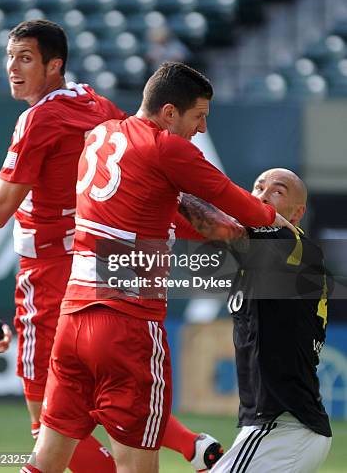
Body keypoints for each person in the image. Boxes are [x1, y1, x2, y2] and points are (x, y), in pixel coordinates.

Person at [0, 21, 227, 472]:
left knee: (48, 422)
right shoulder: (97, 104)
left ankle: (188, 446)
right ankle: (192, 445)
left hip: (49, 275)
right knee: (108, 400)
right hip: (95, 268)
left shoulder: (38, 118)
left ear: (55, 64)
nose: (12, 67)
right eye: (10, 57)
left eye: (25, 58)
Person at [27, 63, 295, 473]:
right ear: (169, 112)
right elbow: (231, 197)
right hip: (128, 327)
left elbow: (160, 214)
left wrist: (226, 234)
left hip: (74, 320)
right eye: (199, 116)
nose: (201, 129)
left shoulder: (101, 135)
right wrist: (287, 230)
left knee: (45, 460)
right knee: (136, 465)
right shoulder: (166, 147)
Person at [211, 168, 332, 473]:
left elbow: (215, 220)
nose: (262, 197)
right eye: (257, 188)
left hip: (284, 428)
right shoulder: (260, 257)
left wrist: (171, 187)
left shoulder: (289, 242)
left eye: (277, 192)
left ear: (298, 212)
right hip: (278, 428)